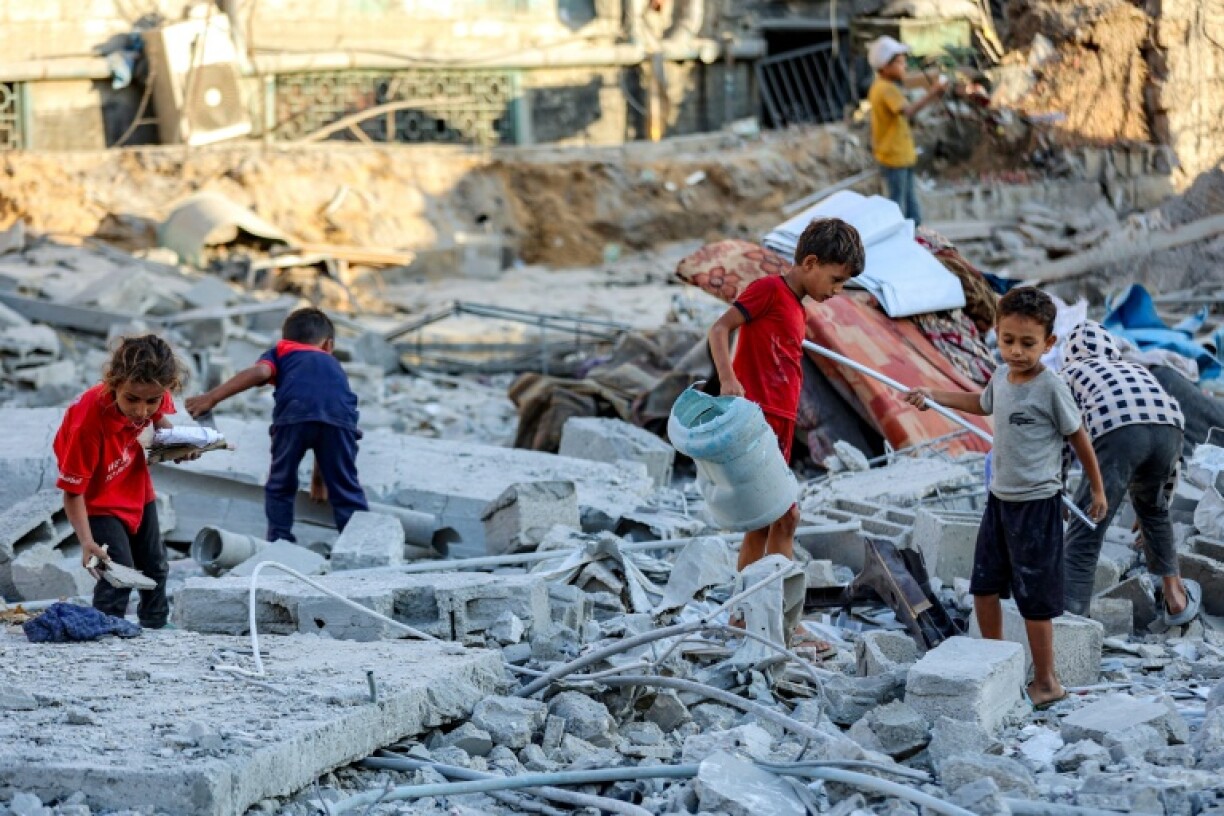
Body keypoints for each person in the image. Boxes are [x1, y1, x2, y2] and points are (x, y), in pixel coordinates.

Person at [906, 287, 1108, 709]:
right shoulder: (1000, 377)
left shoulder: (1051, 387)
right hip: (999, 501)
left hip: (1038, 506)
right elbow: (980, 403)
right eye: (1008, 340)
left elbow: (1079, 437)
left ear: (1049, 343)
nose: (1016, 351)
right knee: (983, 587)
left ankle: (1047, 681)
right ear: (996, 335)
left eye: (1027, 343)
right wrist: (933, 395)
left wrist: (1097, 488)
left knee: (1035, 601)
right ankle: (996, 664)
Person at [708, 217, 866, 572]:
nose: (838, 290)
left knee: (772, 520)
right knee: (781, 517)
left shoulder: (798, 308)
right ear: (810, 263)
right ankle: (768, 598)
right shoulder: (769, 290)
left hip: (781, 422)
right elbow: (719, 328)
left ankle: (757, 599)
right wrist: (727, 379)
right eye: (836, 279)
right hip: (759, 420)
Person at [186, 307, 368, 543]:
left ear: (286, 338)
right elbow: (325, 416)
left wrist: (211, 397)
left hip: (293, 420)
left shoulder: (282, 351)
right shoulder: (333, 365)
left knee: (281, 484)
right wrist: (321, 479)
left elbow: (261, 372)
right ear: (328, 345)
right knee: (346, 489)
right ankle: (361, 545)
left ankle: (280, 541)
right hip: (341, 424)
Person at [1060, 320, 1199, 625]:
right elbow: (1171, 463)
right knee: (1155, 512)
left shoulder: (1068, 374)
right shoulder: (1136, 368)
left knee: (1088, 524)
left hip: (1119, 431)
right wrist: (1159, 498)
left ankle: (1070, 619)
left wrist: (1058, 489)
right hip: (1170, 430)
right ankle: (1176, 598)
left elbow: (1061, 436)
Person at [54, 334, 189, 629]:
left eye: (151, 401)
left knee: (156, 565)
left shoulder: (152, 389)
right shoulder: (87, 423)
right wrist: (87, 542)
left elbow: (160, 424)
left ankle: (155, 625)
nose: (141, 411)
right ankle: (107, 628)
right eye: (132, 399)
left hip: (135, 486)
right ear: (113, 382)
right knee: (118, 571)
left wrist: (178, 445)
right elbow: (73, 493)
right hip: (98, 499)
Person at [867, 35, 948, 224]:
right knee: (897, 205)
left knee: (910, 204)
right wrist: (933, 93)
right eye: (899, 63)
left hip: (901, 155)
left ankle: (914, 232)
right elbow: (908, 111)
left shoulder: (884, 87)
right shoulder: (885, 89)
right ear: (885, 67)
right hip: (894, 157)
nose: (904, 66)